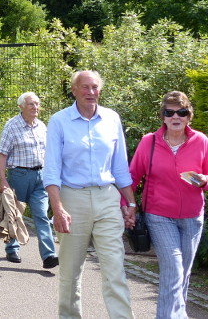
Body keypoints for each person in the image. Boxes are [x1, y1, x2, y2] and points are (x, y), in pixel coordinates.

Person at [43, 70, 136, 319]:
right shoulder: (59, 121)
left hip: (108, 198)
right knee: (71, 272)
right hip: (72, 200)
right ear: (74, 90)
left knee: (115, 269)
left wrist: (130, 202)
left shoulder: (112, 118)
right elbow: (51, 170)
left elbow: (120, 167)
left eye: (94, 87)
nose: (90, 92)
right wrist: (58, 208)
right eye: (84, 87)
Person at [127, 91, 208, 319]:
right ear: (162, 116)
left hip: (192, 217)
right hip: (159, 215)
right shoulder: (148, 142)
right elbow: (132, 177)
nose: (176, 116)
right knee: (173, 269)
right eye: (170, 112)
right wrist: (127, 205)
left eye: (181, 112)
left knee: (183, 273)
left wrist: (204, 180)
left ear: (188, 116)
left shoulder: (201, 141)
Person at [0, 92, 58, 269]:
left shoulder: (42, 126)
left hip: (41, 177)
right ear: (21, 106)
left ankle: (49, 255)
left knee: (42, 215)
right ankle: (12, 248)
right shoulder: (12, 126)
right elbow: (2, 154)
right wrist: (2, 180)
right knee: (15, 214)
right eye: (31, 104)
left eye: (37, 104)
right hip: (19, 176)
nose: (35, 107)